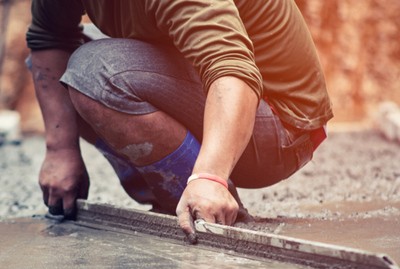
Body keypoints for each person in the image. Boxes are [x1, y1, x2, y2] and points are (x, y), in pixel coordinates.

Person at [26, 0, 333, 243]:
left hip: (281, 124)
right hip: (222, 97)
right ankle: (171, 198)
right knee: (69, 69)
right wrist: (60, 151)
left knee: (92, 71)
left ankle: (203, 202)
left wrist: (210, 178)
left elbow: (230, 68)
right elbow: (47, 39)